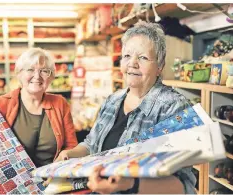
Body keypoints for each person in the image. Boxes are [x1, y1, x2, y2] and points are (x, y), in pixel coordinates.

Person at [57, 21, 196, 194]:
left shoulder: (174, 107)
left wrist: (132, 185)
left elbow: (184, 186)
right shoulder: (112, 101)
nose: (132, 64)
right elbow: (91, 144)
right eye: (127, 56)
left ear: (159, 66)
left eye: (143, 57)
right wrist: (70, 154)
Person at [0, 48, 78, 194]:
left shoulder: (60, 103)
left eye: (45, 71)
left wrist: (64, 158)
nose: (37, 76)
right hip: (9, 188)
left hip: (50, 185)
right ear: (19, 73)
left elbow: (71, 146)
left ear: (51, 77)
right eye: (30, 70)